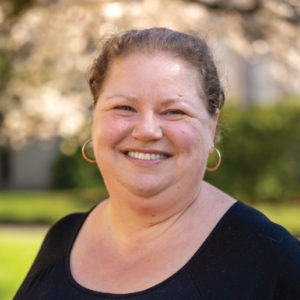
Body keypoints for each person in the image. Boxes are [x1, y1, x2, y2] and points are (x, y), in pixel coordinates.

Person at [14, 28, 300, 300]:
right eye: (124, 108)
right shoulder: (62, 239)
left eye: (174, 111)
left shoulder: (268, 257)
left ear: (211, 129)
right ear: (95, 117)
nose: (147, 130)